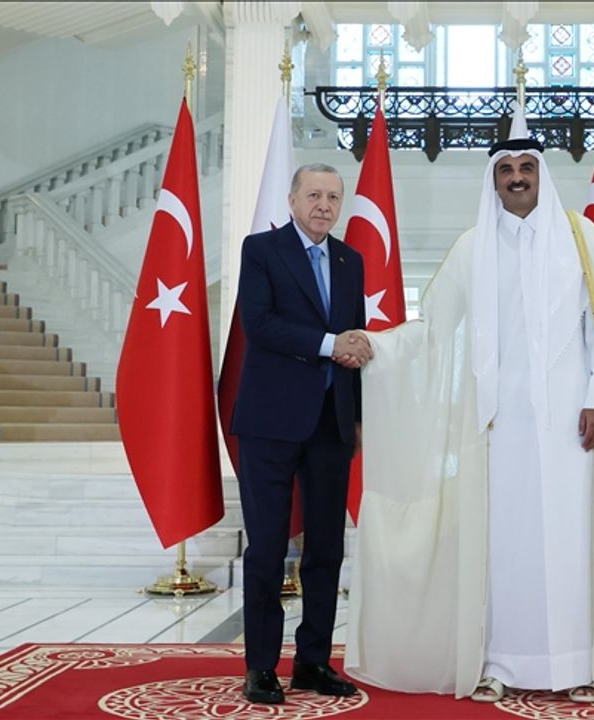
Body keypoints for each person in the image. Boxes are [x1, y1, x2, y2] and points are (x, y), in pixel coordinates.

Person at [344, 112, 594, 704]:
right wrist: (376, 345)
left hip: (570, 425)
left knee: (570, 542)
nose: (517, 177)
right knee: (503, 545)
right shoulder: (472, 248)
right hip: (498, 427)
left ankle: (575, 664)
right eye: (506, 169)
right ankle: (499, 661)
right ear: (494, 181)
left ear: (543, 175)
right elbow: (434, 330)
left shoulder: (581, 238)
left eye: (527, 167)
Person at [231, 162, 373, 705]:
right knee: (268, 548)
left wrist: (357, 417)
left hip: (331, 425)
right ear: (292, 200)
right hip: (270, 422)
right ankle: (261, 666)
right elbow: (259, 324)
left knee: (327, 549)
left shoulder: (350, 260)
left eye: (333, 197)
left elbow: (354, 339)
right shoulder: (261, 251)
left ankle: (313, 661)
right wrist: (331, 345)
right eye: (313, 195)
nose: (323, 206)